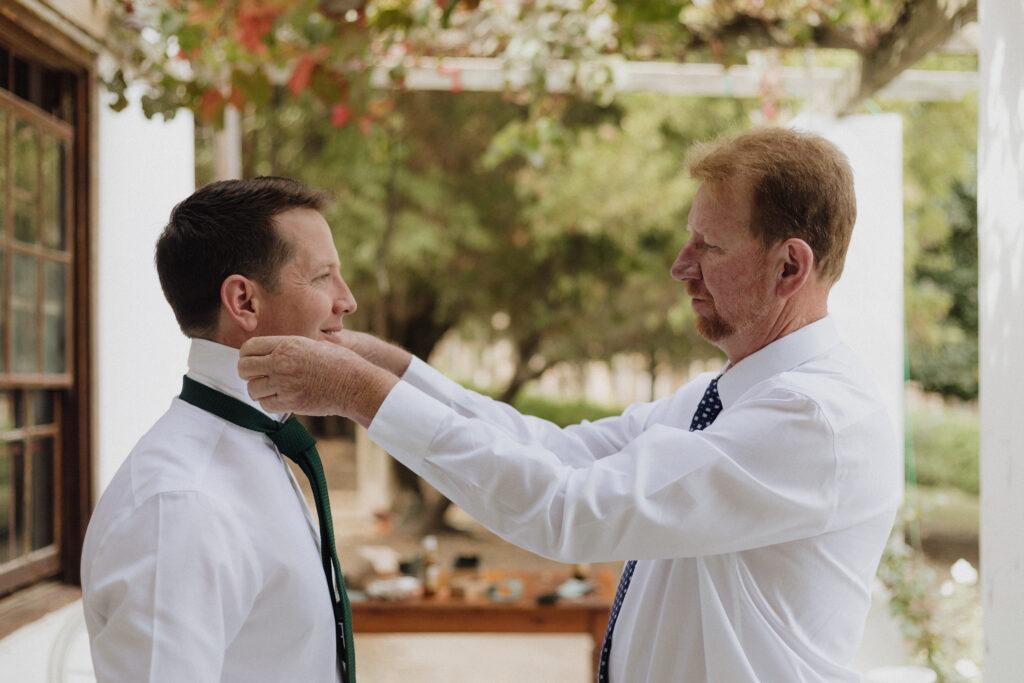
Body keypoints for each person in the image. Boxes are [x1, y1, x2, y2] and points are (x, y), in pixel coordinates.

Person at [239, 128, 903, 682]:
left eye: (710, 245)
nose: (680, 265)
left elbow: (570, 511)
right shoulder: (727, 397)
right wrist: (391, 368)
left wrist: (358, 393)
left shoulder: (815, 419)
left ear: (790, 267)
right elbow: (555, 451)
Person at [81, 177, 360, 683]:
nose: (347, 301)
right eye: (323, 277)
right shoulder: (182, 503)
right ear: (244, 302)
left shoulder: (257, 447)